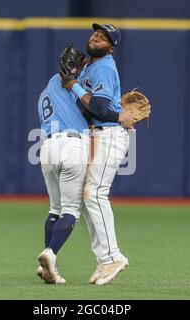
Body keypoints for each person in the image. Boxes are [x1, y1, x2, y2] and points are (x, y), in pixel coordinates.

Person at [36, 45, 136, 284]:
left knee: (54, 209)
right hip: (73, 145)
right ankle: (50, 254)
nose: (82, 69)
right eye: (79, 65)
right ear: (75, 67)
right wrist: (118, 114)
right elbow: (95, 107)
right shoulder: (73, 84)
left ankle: (49, 265)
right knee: (72, 209)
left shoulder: (46, 90)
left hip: (47, 148)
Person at [60, 23, 132, 285]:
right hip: (98, 133)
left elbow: (99, 108)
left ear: (110, 48)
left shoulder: (103, 66)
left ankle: (113, 256)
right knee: (89, 196)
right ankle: (105, 259)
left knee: (95, 193)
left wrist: (74, 86)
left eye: (103, 38)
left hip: (108, 134)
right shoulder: (91, 66)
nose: (96, 38)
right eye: (95, 34)